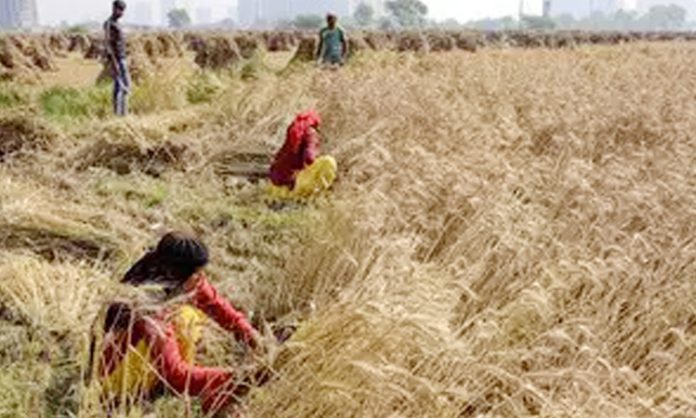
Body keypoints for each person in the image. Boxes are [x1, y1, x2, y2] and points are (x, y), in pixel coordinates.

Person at [95, 232, 263, 415]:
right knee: (182, 322)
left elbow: (218, 307)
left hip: (142, 348)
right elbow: (177, 376)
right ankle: (144, 390)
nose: (202, 277)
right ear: (179, 276)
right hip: (114, 375)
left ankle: (172, 382)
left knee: (186, 317)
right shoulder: (146, 308)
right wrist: (239, 377)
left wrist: (256, 338)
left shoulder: (167, 274)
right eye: (197, 273)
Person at [268, 110, 338, 200]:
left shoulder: (293, 133)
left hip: (277, 186)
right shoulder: (310, 132)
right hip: (295, 185)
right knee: (329, 161)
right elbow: (309, 158)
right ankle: (313, 197)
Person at [104, 0, 130, 116]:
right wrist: (114, 63)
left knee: (124, 86)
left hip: (122, 57)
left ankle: (123, 113)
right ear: (114, 9)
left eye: (123, 11)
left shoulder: (117, 23)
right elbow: (108, 45)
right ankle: (119, 114)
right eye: (120, 10)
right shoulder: (109, 24)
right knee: (121, 87)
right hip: (117, 59)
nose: (122, 13)